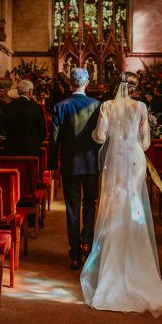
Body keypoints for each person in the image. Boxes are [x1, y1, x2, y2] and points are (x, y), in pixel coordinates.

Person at [80, 71, 162, 317]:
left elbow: (99, 137)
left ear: (118, 85)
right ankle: (137, 262)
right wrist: (132, 142)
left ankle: (110, 261)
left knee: (112, 205)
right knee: (133, 204)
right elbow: (146, 143)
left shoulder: (107, 105)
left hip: (114, 159)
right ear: (136, 87)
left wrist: (108, 139)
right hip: (134, 160)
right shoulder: (141, 107)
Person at [49, 68, 100, 270]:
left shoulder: (60, 106)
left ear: (71, 84)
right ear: (87, 83)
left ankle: (75, 254)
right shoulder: (97, 106)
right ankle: (87, 242)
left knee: (72, 207)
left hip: (70, 164)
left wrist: (52, 164)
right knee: (90, 203)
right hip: (91, 163)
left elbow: (54, 139)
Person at [3, 79, 46, 156]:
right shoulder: (36, 108)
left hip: (11, 149)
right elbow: (42, 132)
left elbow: (5, 128)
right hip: (31, 150)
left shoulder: (7, 107)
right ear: (30, 91)